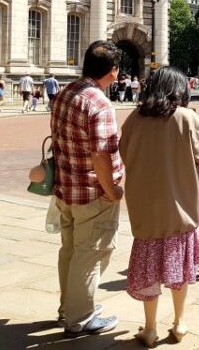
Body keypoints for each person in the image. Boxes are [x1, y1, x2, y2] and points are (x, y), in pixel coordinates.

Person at [119, 66, 199, 347]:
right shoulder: (187, 117)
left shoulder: (135, 118)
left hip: (145, 209)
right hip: (180, 207)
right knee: (180, 270)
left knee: (150, 271)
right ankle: (179, 322)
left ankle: (149, 328)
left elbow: (124, 153)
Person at [51, 40, 124, 337]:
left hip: (65, 189)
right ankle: (80, 318)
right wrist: (112, 191)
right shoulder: (99, 103)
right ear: (114, 70)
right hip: (92, 193)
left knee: (69, 251)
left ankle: (67, 308)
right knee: (92, 253)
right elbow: (101, 155)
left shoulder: (65, 93)